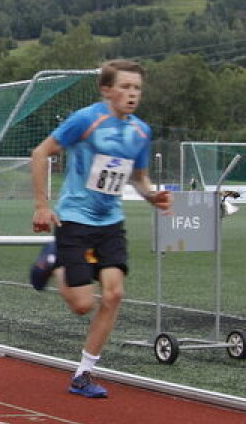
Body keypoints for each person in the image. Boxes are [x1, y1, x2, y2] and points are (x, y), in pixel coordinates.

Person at [29, 59, 171, 399]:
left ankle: (83, 374)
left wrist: (152, 196)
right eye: (124, 86)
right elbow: (41, 152)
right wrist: (42, 206)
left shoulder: (140, 131)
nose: (132, 94)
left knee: (114, 294)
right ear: (106, 90)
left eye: (137, 88)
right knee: (82, 304)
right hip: (75, 218)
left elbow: (138, 176)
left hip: (110, 221)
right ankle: (54, 260)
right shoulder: (86, 120)